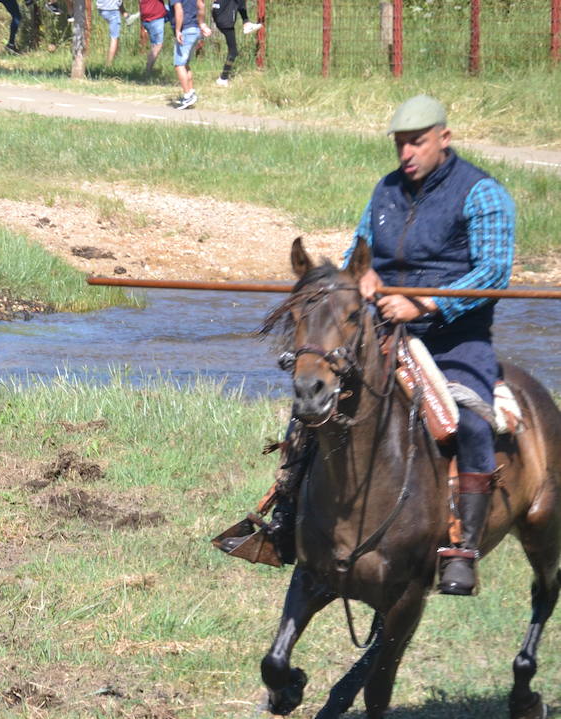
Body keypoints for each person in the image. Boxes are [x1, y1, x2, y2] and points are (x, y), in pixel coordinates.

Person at [217, 95, 516, 598]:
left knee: (471, 422)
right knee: (313, 407)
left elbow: (493, 272)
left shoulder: (482, 193)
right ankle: (285, 520)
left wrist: (423, 305)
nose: (406, 153)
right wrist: (362, 277)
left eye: (416, 142)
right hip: (378, 331)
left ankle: (461, 548)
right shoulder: (385, 191)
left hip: (453, 339)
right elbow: (357, 252)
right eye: (400, 144)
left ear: (444, 138)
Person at [169, 0, 210, 109]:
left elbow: (179, 10)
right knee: (185, 63)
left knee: (179, 64)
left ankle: (187, 96)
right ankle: (191, 92)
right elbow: (201, 5)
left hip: (185, 30)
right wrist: (201, 24)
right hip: (195, 29)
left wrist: (178, 30)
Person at [210, 0, 259, 86]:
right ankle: (223, 78)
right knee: (233, 51)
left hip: (220, 17)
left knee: (233, 51)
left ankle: (246, 23)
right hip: (225, 20)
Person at [137, 0, 167, 74]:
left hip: (146, 18)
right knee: (158, 45)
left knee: (154, 44)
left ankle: (149, 67)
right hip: (155, 17)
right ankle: (148, 69)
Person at [95, 0, 124, 66]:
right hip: (112, 10)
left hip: (101, 8)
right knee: (114, 38)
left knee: (115, 35)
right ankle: (108, 64)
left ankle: (115, 57)